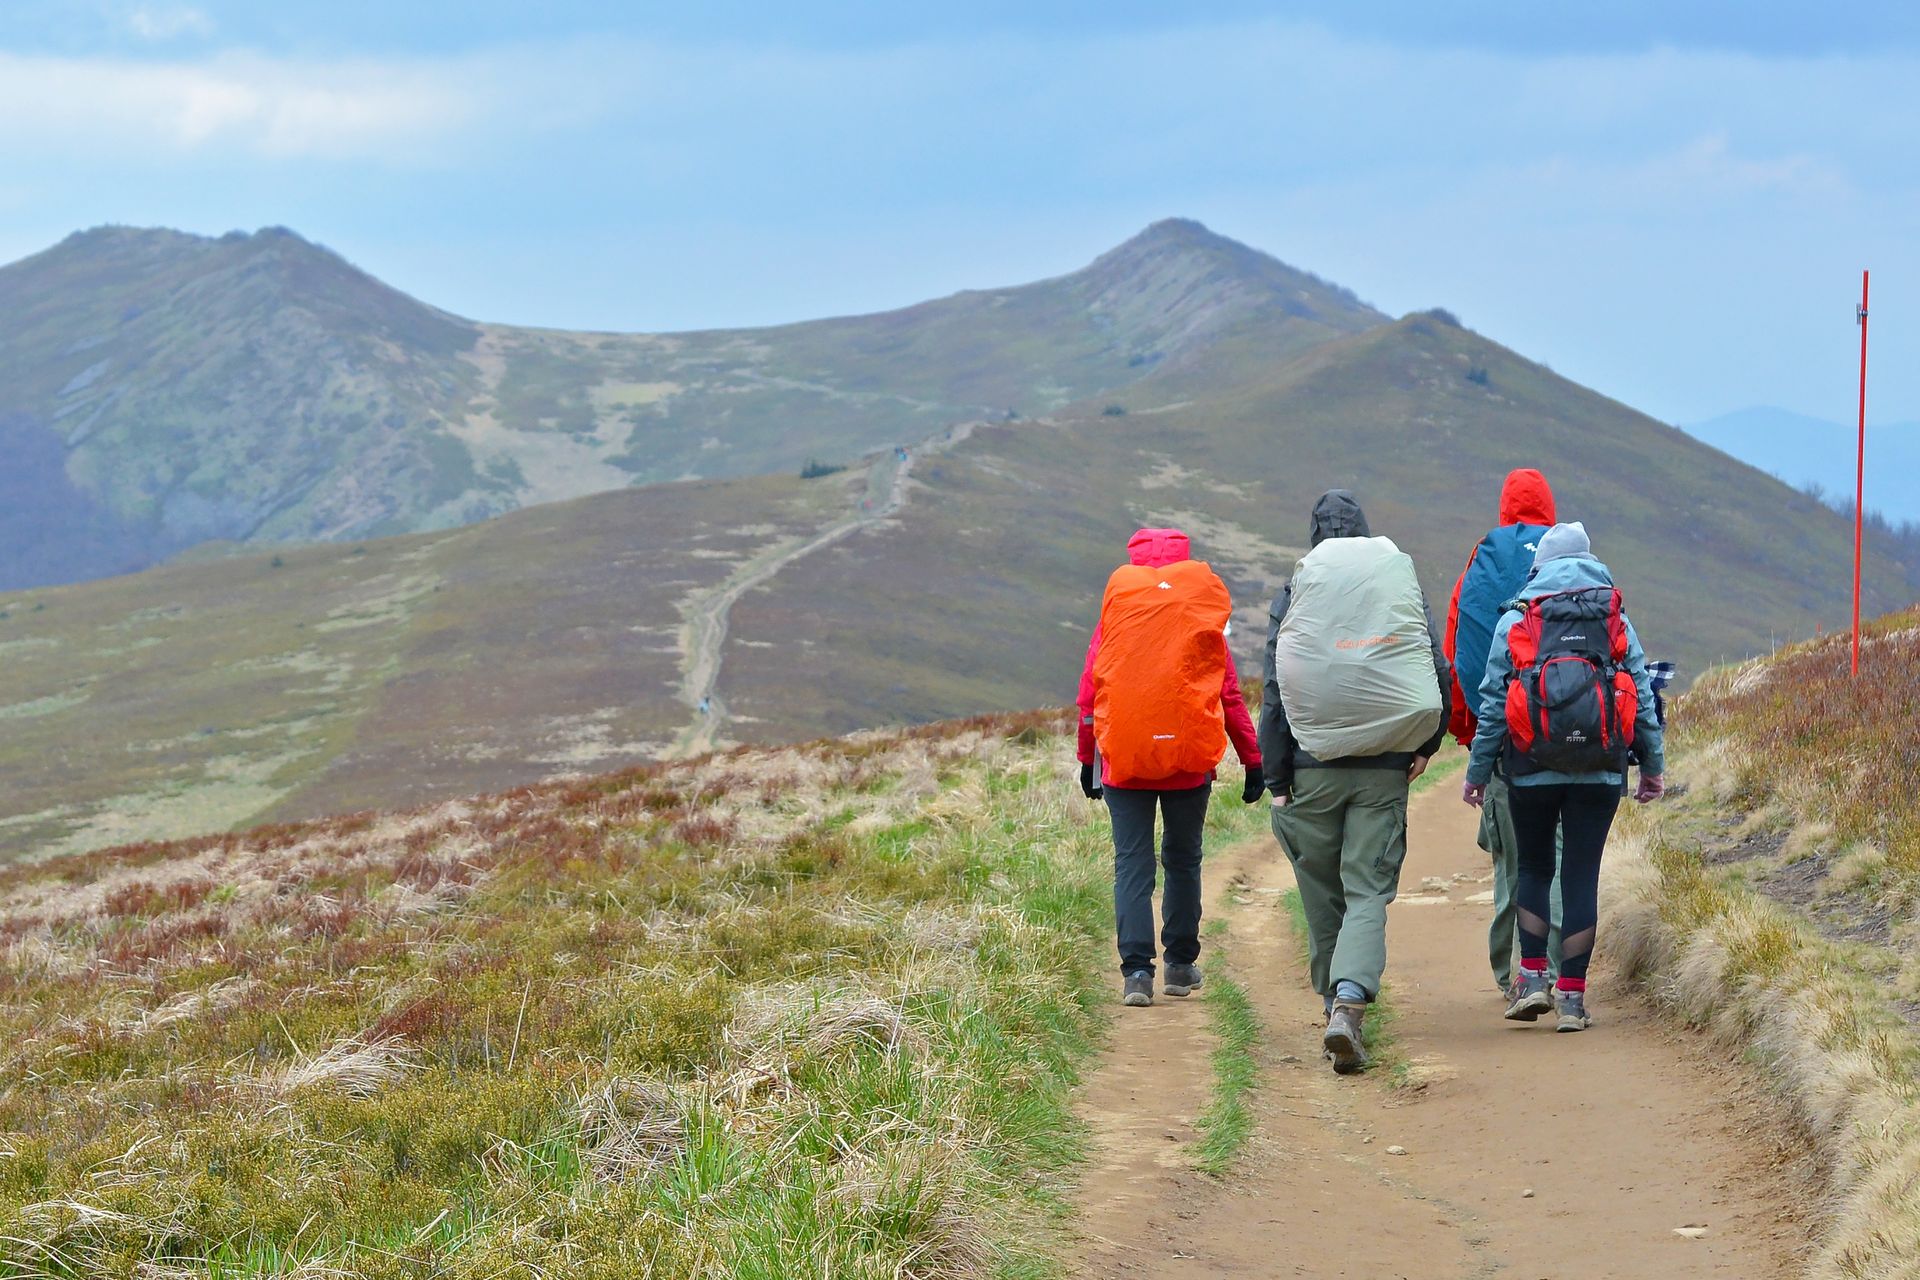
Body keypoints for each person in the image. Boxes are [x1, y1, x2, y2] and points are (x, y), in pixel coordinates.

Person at [1261, 491, 1450, 1073]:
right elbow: (1431, 666)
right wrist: (1424, 745)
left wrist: (1276, 776)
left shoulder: (1296, 591)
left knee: (1321, 890)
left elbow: (1275, 686)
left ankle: (1330, 1001)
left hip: (1310, 767)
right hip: (1382, 766)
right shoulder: (1393, 584)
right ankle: (1349, 1003)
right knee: (1367, 889)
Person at [1462, 522, 1665, 1033]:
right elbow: (1639, 695)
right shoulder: (1615, 617)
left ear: (1541, 567)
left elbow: (1491, 705)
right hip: (1599, 767)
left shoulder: (1519, 619)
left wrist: (1478, 772)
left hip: (1530, 766)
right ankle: (1572, 1000)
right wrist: (1653, 768)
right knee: (1580, 875)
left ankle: (1532, 979)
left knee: (1533, 869)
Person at [1077, 528, 1264, 1008]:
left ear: (1135, 561)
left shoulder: (1116, 615)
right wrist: (1253, 759)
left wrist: (1086, 759)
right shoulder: (1198, 615)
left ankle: (1137, 973)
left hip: (1125, 762)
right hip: (1187, 763)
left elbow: (1089, 697)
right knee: (1183, 859)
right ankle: (1180, 966)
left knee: (1132, 864)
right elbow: (1228, 695)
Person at [1443, 468, 1564, 1000]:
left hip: (1505, 744)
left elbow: (1457, 646)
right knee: (1557, 860)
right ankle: (1561, 975)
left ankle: (1516, 974)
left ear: (1504, 507)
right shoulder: (1569, 560)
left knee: (1513, 863)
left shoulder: (1483, 558)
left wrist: (1470, 734)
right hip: (1566, 738)